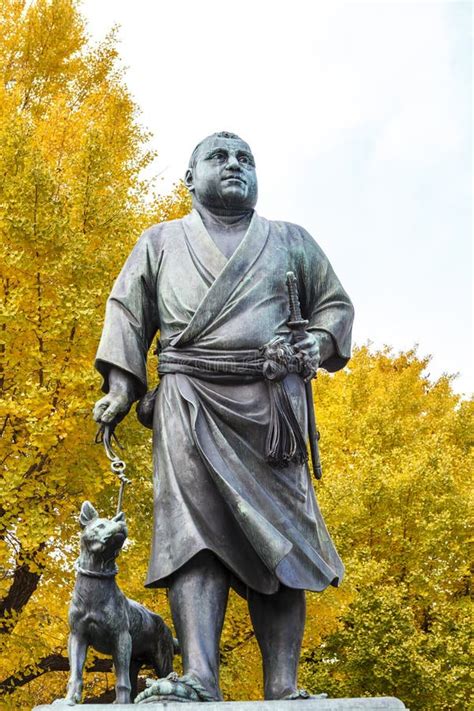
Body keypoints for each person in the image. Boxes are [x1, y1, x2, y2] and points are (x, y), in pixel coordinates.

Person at [93, 131, 354, 703]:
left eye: (246, 159)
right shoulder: (160, 241)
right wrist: (120, 384)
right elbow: (127, 311)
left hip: (272, 406)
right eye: (219, 157)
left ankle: (283, 684)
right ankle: (200, 676)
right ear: (189, 180)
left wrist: (319, 340)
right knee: (195, 536)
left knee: (285, 539)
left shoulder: (290, 241)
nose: (235, 164)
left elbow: (335, 306)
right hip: (188, 400)